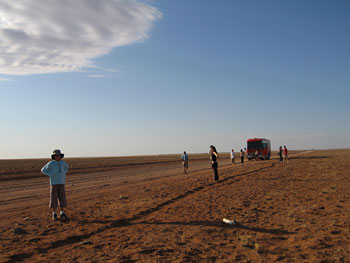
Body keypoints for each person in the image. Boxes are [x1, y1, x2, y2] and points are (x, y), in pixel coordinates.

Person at [41, 149, 69, 221]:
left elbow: (67, 168)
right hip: (54, 183)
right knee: (54, 199)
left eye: (58, 155)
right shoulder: (51, 163)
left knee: (62, 198)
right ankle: (54, 213)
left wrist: (63, 173)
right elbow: (43, 170)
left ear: (60, 156)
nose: (57, 156)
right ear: (54, 156)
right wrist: (51, 174)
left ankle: (62, 212)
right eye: (56, 155)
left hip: (62, 183)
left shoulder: (63, 163)